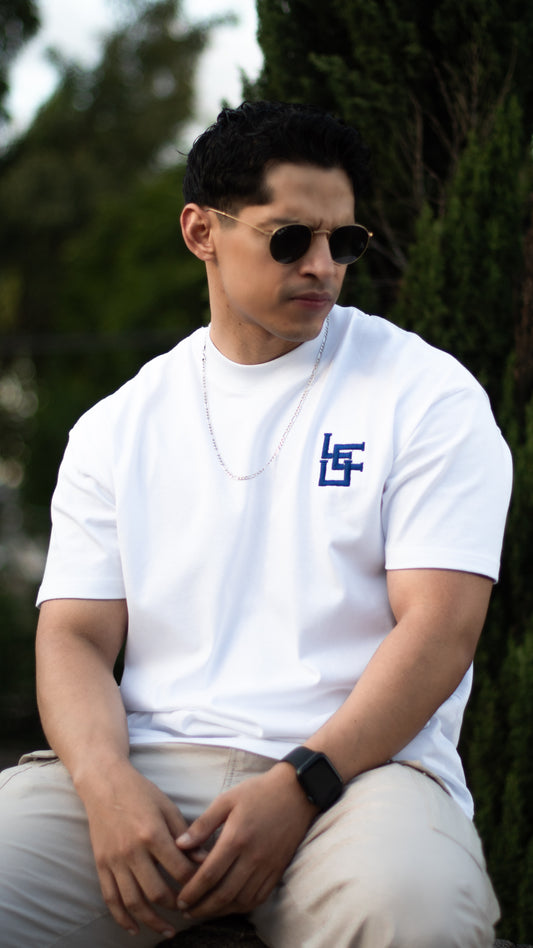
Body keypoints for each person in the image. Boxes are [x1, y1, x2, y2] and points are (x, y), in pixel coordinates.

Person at [0, 101, 512, 948]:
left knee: (414, 914)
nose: (322, 266)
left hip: (360, 779)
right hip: (150, 767)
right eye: (290, 238)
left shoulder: (426, 396)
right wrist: (102, 781)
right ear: (201, 231)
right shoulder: (118, 425)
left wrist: (301, 784)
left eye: (344, 242)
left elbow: (439, 628)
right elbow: (75, 637)